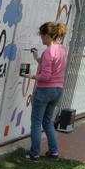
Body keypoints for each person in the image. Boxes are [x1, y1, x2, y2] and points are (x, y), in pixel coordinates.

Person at [25, 22, 68, 160]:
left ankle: (34, 153)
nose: (41, 39)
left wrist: (31, 76)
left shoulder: (48, 51)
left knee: (36, 122)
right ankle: (53, 151)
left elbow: (46, 76)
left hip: (45, 90)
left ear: (48, 35)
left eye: (42, 36)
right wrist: (37, 57)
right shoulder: (62, 49)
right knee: (48, 122)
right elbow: (52, 67)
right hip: (58, 90)